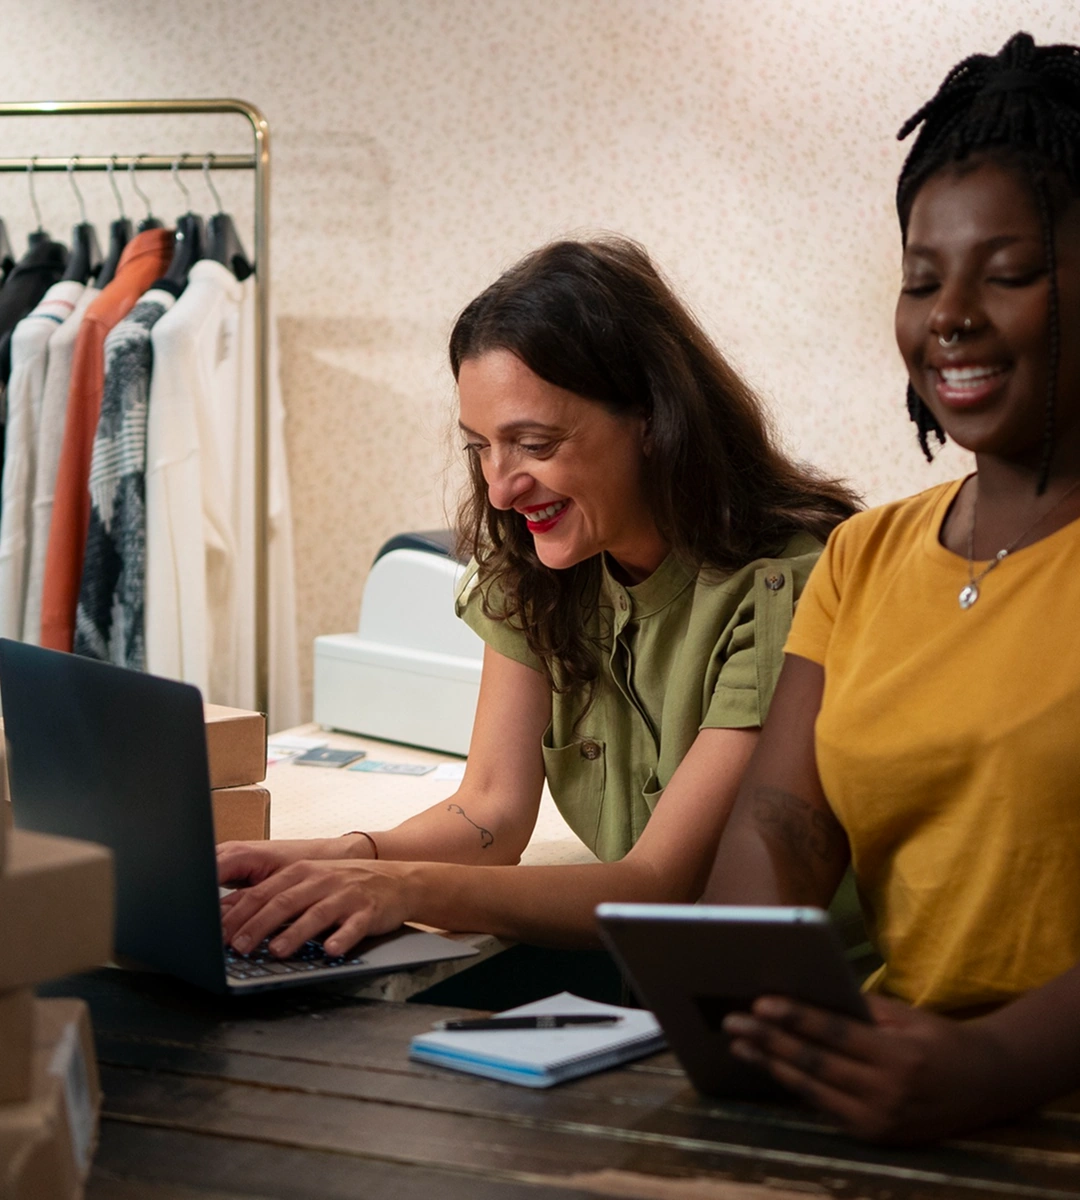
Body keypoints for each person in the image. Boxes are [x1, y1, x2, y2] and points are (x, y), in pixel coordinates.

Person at [218, 236, 858, 958]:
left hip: (800, 1007)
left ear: (651, 417)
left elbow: (659, 884)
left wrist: (401, 887)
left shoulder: (787, 588)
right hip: (665, 985)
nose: (499, 486)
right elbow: (489, 810)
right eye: (480, 447)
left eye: (535, 444)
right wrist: (335, 859)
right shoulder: (545, 570)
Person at [704, 32, 1080, 1143]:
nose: (951, 316)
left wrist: (996, 1064)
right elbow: (780, 832)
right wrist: (744, 1022)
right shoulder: (864, 557)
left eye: (1011, 273)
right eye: (921, 280)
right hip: (903, 1122)